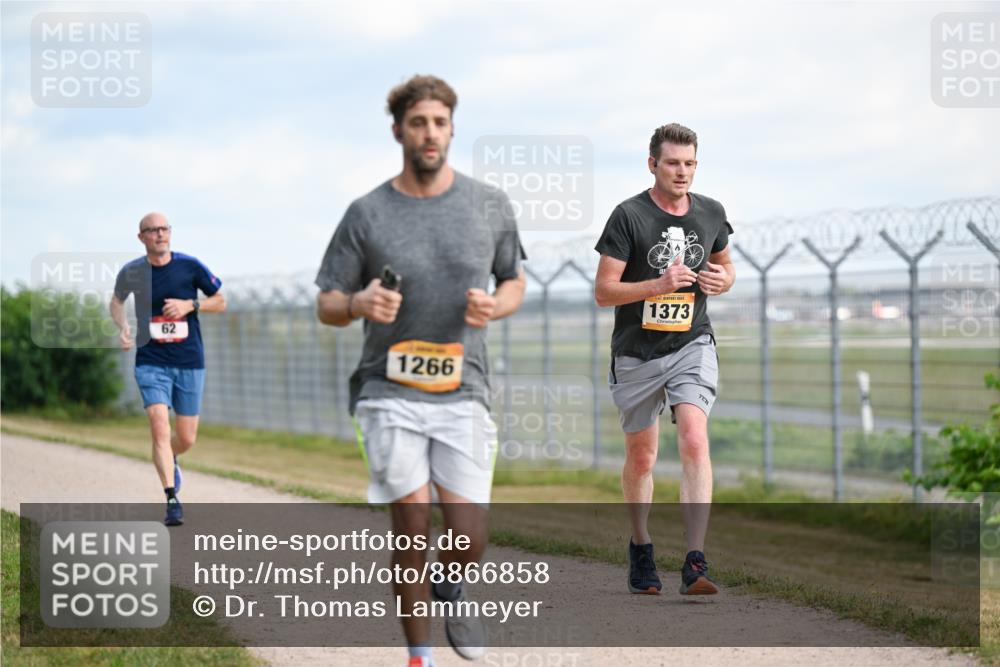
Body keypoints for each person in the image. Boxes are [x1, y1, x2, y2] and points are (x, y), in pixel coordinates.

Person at [315, 75, 526, 667]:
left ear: (452, 129)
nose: (429, 133)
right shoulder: (367, 213)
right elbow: (327, 302)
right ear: (398, 131)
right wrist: (358, 303)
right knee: (411, 525)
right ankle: (420, 657)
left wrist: (495, 306)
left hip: (464, 388)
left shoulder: (488, 204)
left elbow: (513, 280)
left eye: (439, 122)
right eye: (418, 123)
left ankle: (451, 584)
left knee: (470, 537)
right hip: (387, 388)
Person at [593, 123, 735, 596]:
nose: (682, 172)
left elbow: (726, 266)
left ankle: (695, 560)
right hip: (637, 352)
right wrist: (658, 285)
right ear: (652, 164)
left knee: (694, 438)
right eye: (672, 163)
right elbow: (603, 292)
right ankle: (641, 546)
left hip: (691, 343)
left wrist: (722, 281)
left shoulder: (711, 212)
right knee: (643, 457)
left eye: (690, 163)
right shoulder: (628, 216)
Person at [110, 213, 225, 526]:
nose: (160, 234)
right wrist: (123, 327)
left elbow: (220, 301)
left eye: (164, 229)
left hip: (189, 360)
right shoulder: (132, 271)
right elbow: (116, 302)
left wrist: (191, 305)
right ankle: (172, 498)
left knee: (186, 438)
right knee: (159, 426)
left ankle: (170, 456)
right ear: (141, 237)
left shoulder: (190, 266)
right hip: (151, 360)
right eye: (153, 230)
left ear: (170, 233)